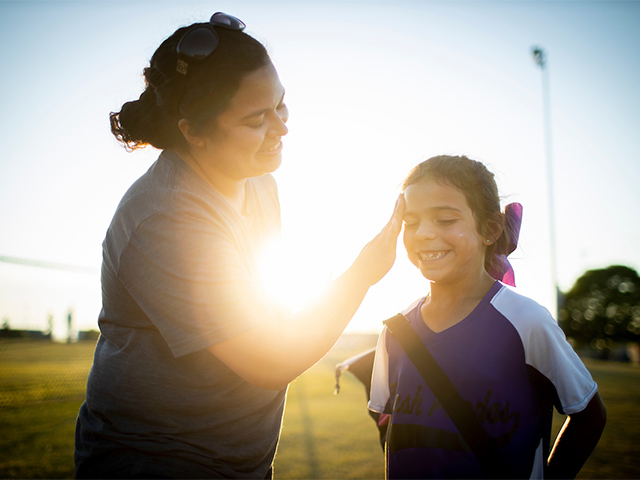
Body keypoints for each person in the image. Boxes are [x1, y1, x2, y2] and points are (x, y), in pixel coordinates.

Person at [74, 12, 403, 479]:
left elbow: (265, 311)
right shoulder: (167, 219)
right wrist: (361, 275)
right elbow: (269, 360)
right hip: (157, 461)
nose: (281, 128)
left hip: (242, 464)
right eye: (256, 119)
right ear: (193, 131)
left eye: (281, 105)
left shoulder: (259, 182)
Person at [368, 155, 606, 479]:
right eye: (411, 222)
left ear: (490, 229)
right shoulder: (395, 330)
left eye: (445, 220)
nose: (423, 233)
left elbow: (589, 415)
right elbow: (389, 427)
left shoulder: (527, 321)